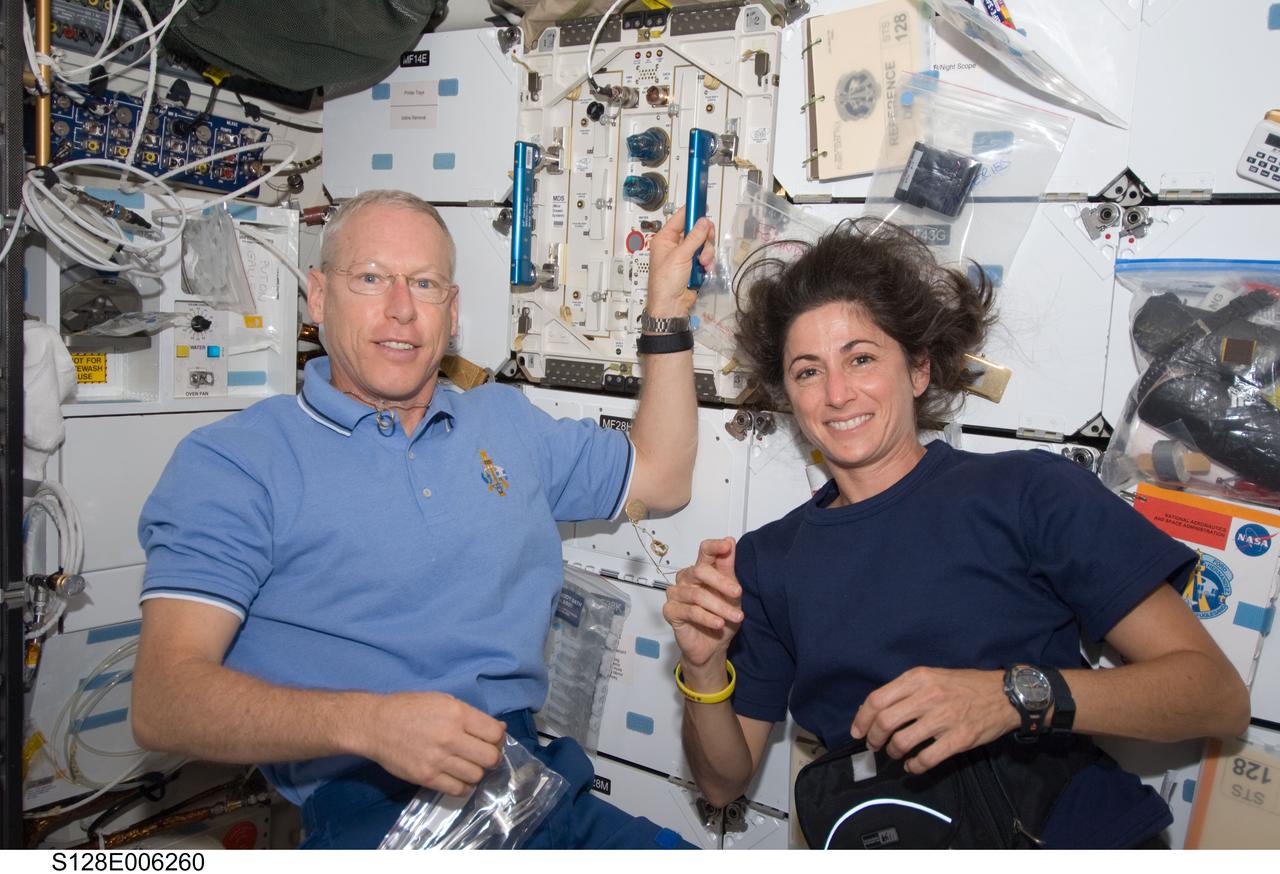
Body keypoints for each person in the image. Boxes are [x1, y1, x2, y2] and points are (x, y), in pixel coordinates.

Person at [131, 189, 713, 849]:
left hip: (535, 792)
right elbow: (163, 700)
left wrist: (665, 311)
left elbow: (662, 474)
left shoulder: (503, 421)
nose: (402, 309)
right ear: (318, 297)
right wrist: (371, 726)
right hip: (374, 812)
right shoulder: (237, 463)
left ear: (453, 310)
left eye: (426, 283)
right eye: (372, 279)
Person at [662, 218, 1251, 849]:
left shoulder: (1029, 492)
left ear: (917, 371)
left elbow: (1213, 696)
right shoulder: (766, 561)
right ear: (790, 396)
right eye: (808, 372)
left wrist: (1010, 697)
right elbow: (722, 785)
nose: (837, 393)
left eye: (861, 358)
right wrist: (703, 667)